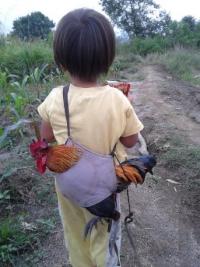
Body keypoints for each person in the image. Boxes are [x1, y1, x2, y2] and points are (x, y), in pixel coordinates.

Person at [37, 8, 143, 267]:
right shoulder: (118, 98)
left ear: (61, 59)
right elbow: (131, 142)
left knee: (75, 231)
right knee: (104, 232)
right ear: (107, 57)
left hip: (69, 186)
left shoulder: (55, 97)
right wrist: (127, 106)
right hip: (105, 183)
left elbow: (46, 137)